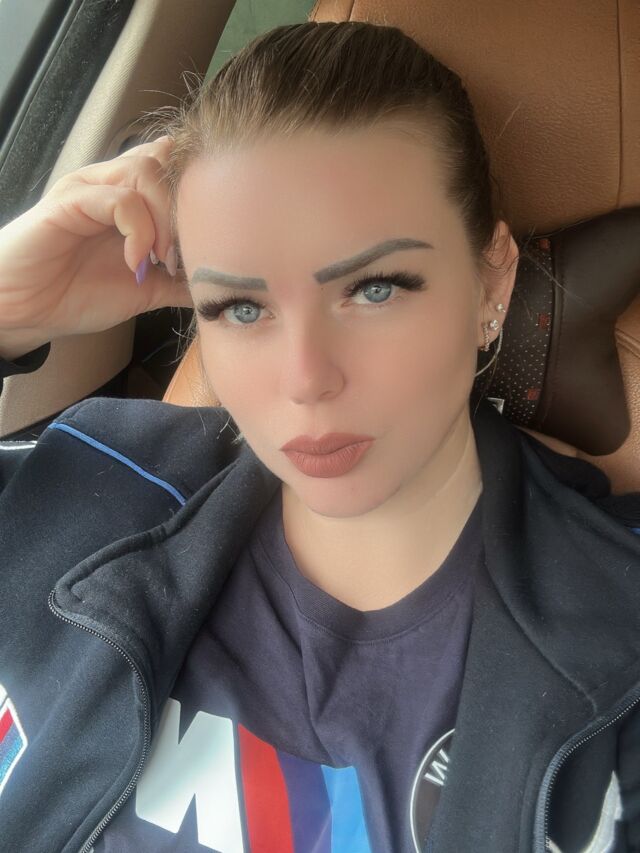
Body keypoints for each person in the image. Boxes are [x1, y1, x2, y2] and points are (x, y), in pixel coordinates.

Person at [0, 19, 639, 853]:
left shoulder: (621, 630)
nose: (305, 378)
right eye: (241, 306)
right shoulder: (91, 483)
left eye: (375, 289)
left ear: (493, 278)